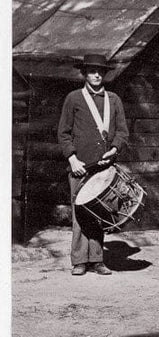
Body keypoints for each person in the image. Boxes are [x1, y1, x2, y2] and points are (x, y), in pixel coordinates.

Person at [57, 54, 130, 276]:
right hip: (80, 166)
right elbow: (64, 133)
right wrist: (72, 158)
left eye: (100, 71)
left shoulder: (114, 99)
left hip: (104, 167)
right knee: (80, 212)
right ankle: (79, 261)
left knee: (99, 212)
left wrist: (115, 149)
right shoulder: (74, 98)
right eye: (91, 71)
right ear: (85, 74)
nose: (96, 74)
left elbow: (122, 132)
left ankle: (97, 259)